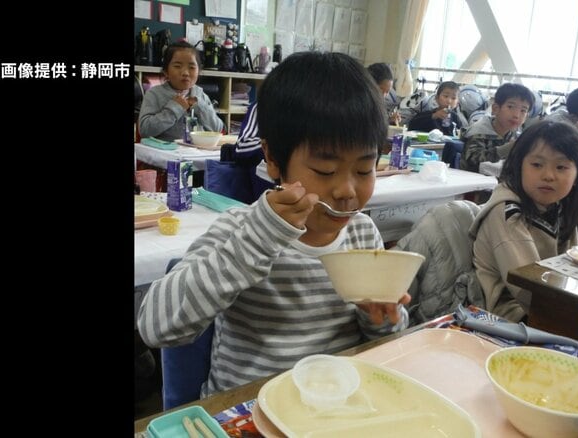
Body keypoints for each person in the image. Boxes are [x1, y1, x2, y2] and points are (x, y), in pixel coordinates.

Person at [137, 51, 411, 396]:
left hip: (334, 411)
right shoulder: (241, 229)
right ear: (273, 159)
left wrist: (381, 321)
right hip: (247, 411)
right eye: (325, 171)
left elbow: (382, 346)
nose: (346, 190)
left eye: (364, 169)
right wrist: (259, 238)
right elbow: (155, 327)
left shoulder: (362, 233)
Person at [468, 121, 578, 322]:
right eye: (537, 165)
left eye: (561, 167)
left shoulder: (559, 208)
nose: (549, 175)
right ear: (519, 165)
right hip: (505, 315)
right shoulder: (507, 212)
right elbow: (527, 290)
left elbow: (575, 269)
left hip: (549, 304)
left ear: (577, 176)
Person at [138, 41, 224, 141]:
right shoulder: (154, 94)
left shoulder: (201, 95)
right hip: (166, 152)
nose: (185, 73)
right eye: (177, 66)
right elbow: (144, 130)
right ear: (166, 71)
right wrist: (174, 108)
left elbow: (217, 129)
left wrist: (200, 106)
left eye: (192, 67)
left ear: (198, 71)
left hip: (196, 153)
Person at [460, 83, 536, 173]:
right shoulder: (478, 132)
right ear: (495, 108)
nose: (517, 115)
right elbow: (474, 162)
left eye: (523, 110)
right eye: (510, 107)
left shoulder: (513, 135)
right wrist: (507, 149)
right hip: (475, 183)